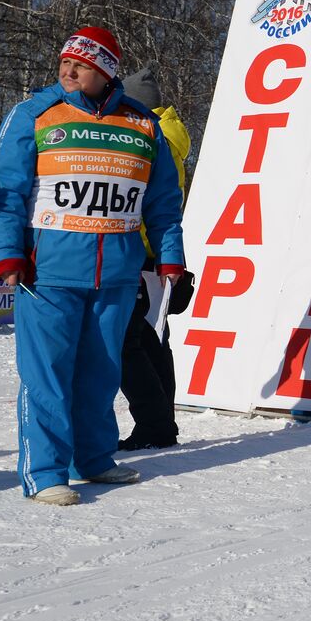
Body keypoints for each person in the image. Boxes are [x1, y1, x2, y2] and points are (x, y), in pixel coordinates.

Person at [0, 26, 186, 506]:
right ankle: (45, 472)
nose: (69, 71)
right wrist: (7, 252)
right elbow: (4, 191)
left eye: (82, 65)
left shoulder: (142, 124)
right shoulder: (33, 114)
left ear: (106, 72)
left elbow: (161, 201)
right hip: (46, 273)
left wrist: (171, 256)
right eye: (65, 64)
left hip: (116, 272)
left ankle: (92, 459)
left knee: (102, 372)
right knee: (48, 374)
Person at [116, 68, 191, 451]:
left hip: (139, 255)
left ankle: (154, 423)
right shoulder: (171, 139)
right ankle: (163, 423)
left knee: (126, 346)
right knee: (153, 343)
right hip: (160, 259)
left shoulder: (149, 138)